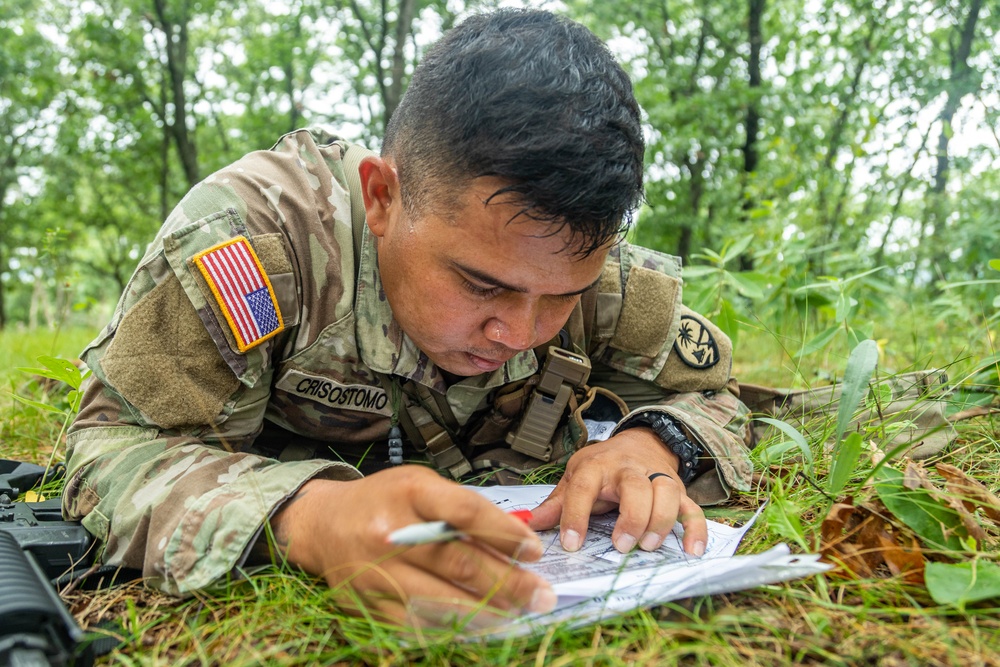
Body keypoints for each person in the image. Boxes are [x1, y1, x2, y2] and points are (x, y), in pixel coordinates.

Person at [63, 8, 754, 626]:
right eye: (481, 284)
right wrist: (309, 516)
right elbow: (111, 448)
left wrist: (651, 444)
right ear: (382, 197)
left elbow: (713, 391)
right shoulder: (258, 247)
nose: (519, 331)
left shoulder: (595, 275)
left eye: (561, 295)